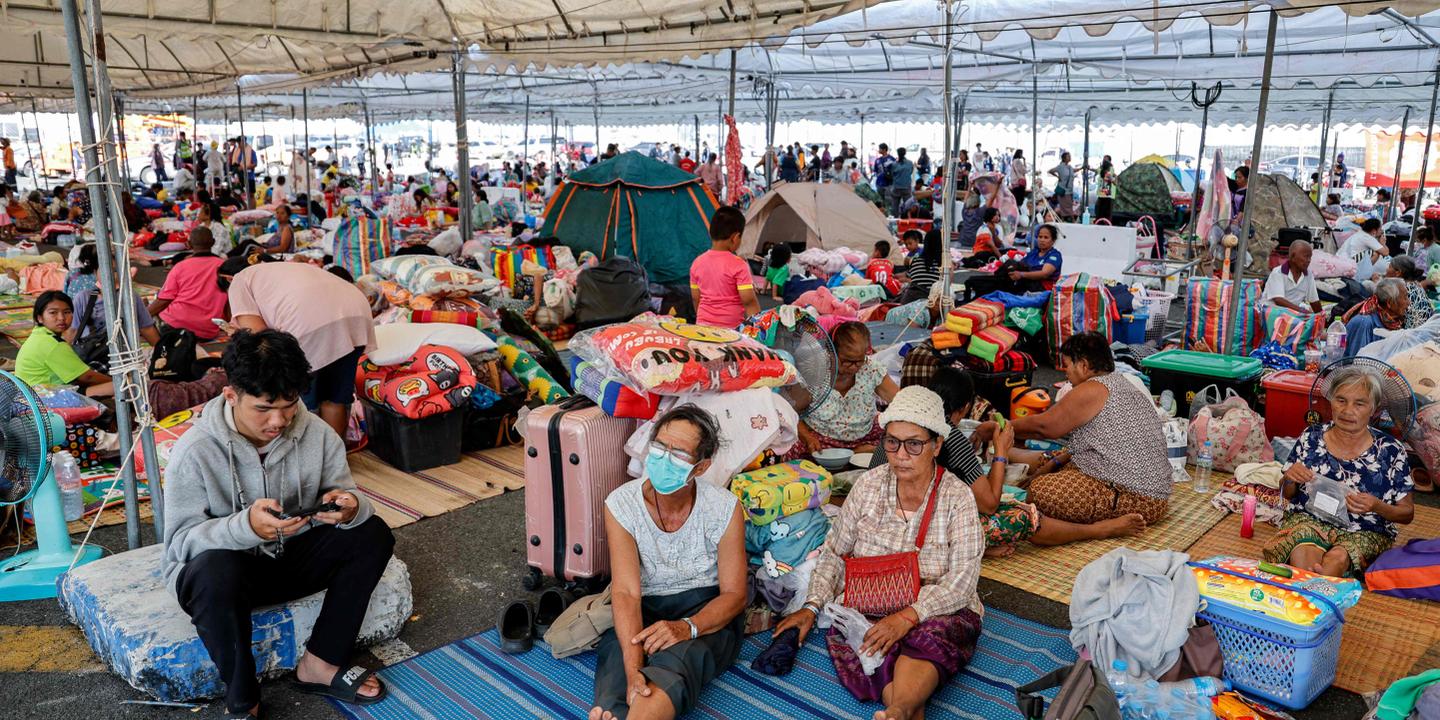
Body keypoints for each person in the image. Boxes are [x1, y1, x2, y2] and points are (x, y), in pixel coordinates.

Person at [162, 329, 394, 719]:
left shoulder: (317, 433)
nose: (279, 421)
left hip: (290, 560)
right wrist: (245, 528)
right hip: (226, 582)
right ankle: (243, 700)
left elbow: (346, 491)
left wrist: (350, 507)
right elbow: (180, 545)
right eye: (264, 409)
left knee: (372, 533)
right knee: (215, 570)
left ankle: (320, 663)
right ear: (231, 395)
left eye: (289, 405)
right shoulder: (195, 450)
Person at [775, 386, 984, 720]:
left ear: (936, 445)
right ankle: (902, 711)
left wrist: (907, 616)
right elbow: (834, 552)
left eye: (914, 444)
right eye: (892, 442)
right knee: (870, 641)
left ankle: (898, 709)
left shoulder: (957, 497)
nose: (900, 454)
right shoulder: (868, 485)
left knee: (930, 636)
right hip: (870, 604)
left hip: (935, 608)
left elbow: (962, 581)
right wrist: (812, 607)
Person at [590, 407, 746, 720]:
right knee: (620, 657)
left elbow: (735, 595)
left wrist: (688, 627)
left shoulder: (724, 508)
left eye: (679, 453)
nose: (664, 458)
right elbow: (626, 593)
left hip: (705, 610)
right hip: (646, 606)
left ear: (701, 467)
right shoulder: (621, 504)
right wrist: (633, 668)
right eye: (660, 446)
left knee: (680, 660)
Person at [926, 368, 1146, 556]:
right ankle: (1098, 530)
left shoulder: (918, 424)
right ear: (966, 407)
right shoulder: (952, 439)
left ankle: (978, 547)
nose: (1066, 371)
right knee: (1023, 516)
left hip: (918, 523)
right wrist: (1001, 451)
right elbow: (990, 504)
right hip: (933, 531)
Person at [996, 332, 1172, 525]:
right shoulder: (1122, 382)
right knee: (1057, 458)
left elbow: (1045, 427)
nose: (1066, 373)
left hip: (1137, 498)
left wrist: (1002, 426)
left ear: (1083, 365)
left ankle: (1107, 527)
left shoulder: (1093, 389)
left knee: (1040, 492)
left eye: (1067, 365)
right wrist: (1051, 465)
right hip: (1152, 492)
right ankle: (1002, 451)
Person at [1263, 366, 1413, 577]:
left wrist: (1377, 506)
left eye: (1359, 403)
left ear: (1375, 409)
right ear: (1331, 401)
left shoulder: (1391, 450)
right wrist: (1289, 479)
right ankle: (1313, 583)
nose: (1347, 410)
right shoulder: (1311, 437)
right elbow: (1288, 493)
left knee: (1339, 558)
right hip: (1309, 520)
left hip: (1363, 530)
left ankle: (1312, 585)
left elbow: (1407, 514)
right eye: (1341, 400)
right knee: (1303, 550)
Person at [221, 256, 376, 438]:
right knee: (335, 398)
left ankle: (306, 452)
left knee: (301, 402)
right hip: (357, 311)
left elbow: (260, 339)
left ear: (228, 280)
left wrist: (238, 335)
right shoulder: (282, 269)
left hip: (309, 325)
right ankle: (335, 453)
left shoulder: (239, 280)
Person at [791, 322, 900, 456]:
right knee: (796, 449)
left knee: (897, 445)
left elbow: (902, 401)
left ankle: (857, 452)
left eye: (859, 361)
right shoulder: (813, 370)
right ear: (830, 352)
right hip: (822, 440)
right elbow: (791, 412)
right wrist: (807, 437)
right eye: (847, 361)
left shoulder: (872, 370)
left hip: (866, 437)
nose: (854, 367)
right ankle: (856, 453)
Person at [15, 291, 113, 395]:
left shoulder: (39, 334)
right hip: (46, 398)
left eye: (66, 312)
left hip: (31, 394)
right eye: (53, 313)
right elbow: (87, 377)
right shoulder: (53, 344)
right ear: (40, 318)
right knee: (118, 387)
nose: (61, 318)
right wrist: (114, 382)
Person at [688, 206, 760, 329]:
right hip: (731, 330)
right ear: (735, 237)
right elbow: (749, 301)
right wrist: (758, 326)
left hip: (702, 327)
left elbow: (696, 298)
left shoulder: (697, 263)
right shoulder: (739, 265)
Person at [149, 227, 227, 340]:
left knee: (151, 311)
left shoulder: (180, 267)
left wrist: (144, 315)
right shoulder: (224, 266)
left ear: (189, 244)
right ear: (213, 242)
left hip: (176, 327)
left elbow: (164, 300)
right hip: (207, 331)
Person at [1342, 278, 1410, 356]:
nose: (1409, 302)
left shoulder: (1396, 322)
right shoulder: (1364, 323)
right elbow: (1358, 360)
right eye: (1405, 297)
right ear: (1390, 303)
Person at [1263, 240, 1323, 314]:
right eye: (1306, 257)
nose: (1309, 260)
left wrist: (1321, 316)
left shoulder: (1308, 275)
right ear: (1293, 257)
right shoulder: (1278, 273)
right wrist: (1302, 311)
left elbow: (1314, 301)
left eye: (1310, 257)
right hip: (1272, 313)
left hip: (1293, 313)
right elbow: (1278, 300)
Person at [897, 228, 942, 305]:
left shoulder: (915, 260)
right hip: (933, 303)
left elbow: (912, 278)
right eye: (906, 244)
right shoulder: (944, 265)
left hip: (912, 301)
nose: (908, 246)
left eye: (910, 243)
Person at [1388, 256, 1434, 329]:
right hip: (1425, 328)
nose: (1387, 269)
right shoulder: (1416, 284)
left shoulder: (1401, 290)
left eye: (1389, 267)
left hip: (1413, 331)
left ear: (1398, 273)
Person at [1339, 218, 1390, 283]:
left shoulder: (1360, 234)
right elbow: (1385, 253)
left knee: (1374, 252)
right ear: (1374, 231)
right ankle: (1364, 276)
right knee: (1376, 253)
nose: (1382, 231)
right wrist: (1383, 244)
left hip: (1344, 262)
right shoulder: (1367, 237)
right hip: (1350, 267)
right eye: (1380, 229)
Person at [1048, 152, 1076, 221]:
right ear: (1064, 158)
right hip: (1063, 189)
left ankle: (1064, 220)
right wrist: (1057, 176)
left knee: (1068, 205)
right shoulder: (1060, 167)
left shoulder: (1069, 167)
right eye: (1068, 156)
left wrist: (1081, 168)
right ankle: (1072, 220)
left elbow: (1074, 170)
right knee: (1066, 206)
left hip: (1070, 189)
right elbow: (1050, 171)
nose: (1070, 157)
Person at [889, 148, 915, 218]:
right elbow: (910, 172)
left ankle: (895, 220)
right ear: (905, 153)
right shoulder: (910, 163)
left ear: (897, 154)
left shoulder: (894, 164)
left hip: (896, 187)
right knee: (908, 206)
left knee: (895, 206)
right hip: (906, 187)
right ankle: (906, 219)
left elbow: (892, 175)